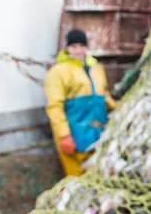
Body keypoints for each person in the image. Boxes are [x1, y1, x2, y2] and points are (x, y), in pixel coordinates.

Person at [44, 30, 118, 177]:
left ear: (86, 47)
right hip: (74, 136)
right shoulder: (57, 72)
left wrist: (120, 108)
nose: (78, 50)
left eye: (81, 46)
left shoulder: (96, 68)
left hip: (97, 133)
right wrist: (64, 136)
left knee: (99, 177)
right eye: (74, 46)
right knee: (77, 183)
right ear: (67, 48)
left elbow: (104, 95)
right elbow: (55, 107)